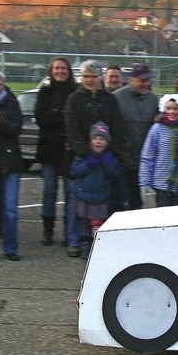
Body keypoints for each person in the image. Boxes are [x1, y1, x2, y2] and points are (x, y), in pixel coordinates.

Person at [64, 60, 128, 257]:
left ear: (100, 77)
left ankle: (98, 239)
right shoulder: (74, 99)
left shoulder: (109, 100)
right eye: (86, 77)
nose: (90, 80)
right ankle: (74, 240)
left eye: (93, 76)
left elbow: (117, 126)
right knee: (76, 202)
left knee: (102, 203)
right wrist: (85, 152)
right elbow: (71, 128)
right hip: (82, 157)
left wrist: (109, 150)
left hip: (105, 156)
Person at [35, 57, 77, 246]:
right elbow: (41, 118)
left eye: (63, 68)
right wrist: (57, 115)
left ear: (68, 71)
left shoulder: (75, 92)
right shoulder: (45, 92)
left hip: (69, 150)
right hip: (49, 149)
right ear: (51, 71)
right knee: (50, 191)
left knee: (70, 193)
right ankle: (48, 230)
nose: (60, 71)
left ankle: (69, 233)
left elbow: (74, 121)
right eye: (56, 68)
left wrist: (57, 114)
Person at [139, 94, 178, 208]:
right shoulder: (157, 128)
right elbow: (148, 156)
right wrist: (144, 182)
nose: (171, 112)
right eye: (168, 108)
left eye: (175, 108)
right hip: (161, 183)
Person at [70, 122, 122, 259]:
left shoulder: (109, 158)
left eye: (102, 139)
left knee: (98, 224)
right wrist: (88, 164)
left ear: (107, 142)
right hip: (84, 197)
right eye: (95, 138)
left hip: (100, 198)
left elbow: (116, 173)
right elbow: (74, 171)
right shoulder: (84, 156)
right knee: (84, 225)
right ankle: (85, 247)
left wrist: (108, 164)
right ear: (90, 141)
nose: (98, 142)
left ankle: (97, 246)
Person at [113, 63, 159, 210]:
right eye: (141, 80)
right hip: (122, 160)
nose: (145, 84)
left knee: (138, 201)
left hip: (143, 161)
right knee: (120, 199)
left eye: (147, 80)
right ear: (132, 79)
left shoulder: (153, 99)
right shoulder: (116, 97)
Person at [0, 71, 24, 261]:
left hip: (10, 163)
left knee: (10, 210)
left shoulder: (12, 103)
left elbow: (16, 129)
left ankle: (11, 248)